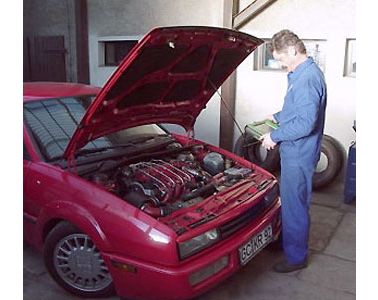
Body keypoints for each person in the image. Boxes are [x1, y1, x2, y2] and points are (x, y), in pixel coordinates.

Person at [259, 29, 327, 273]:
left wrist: (274, 136)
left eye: (281, 59)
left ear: (292, 50)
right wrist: (276, 116)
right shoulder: (301, 73)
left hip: (299, 154)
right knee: (288, 202)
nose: (281, 64)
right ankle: (288, 242)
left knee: (295, 205)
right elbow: (297, 111)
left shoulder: (307, 78)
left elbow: (306, 123)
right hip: (297, 152)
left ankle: (296, 257)